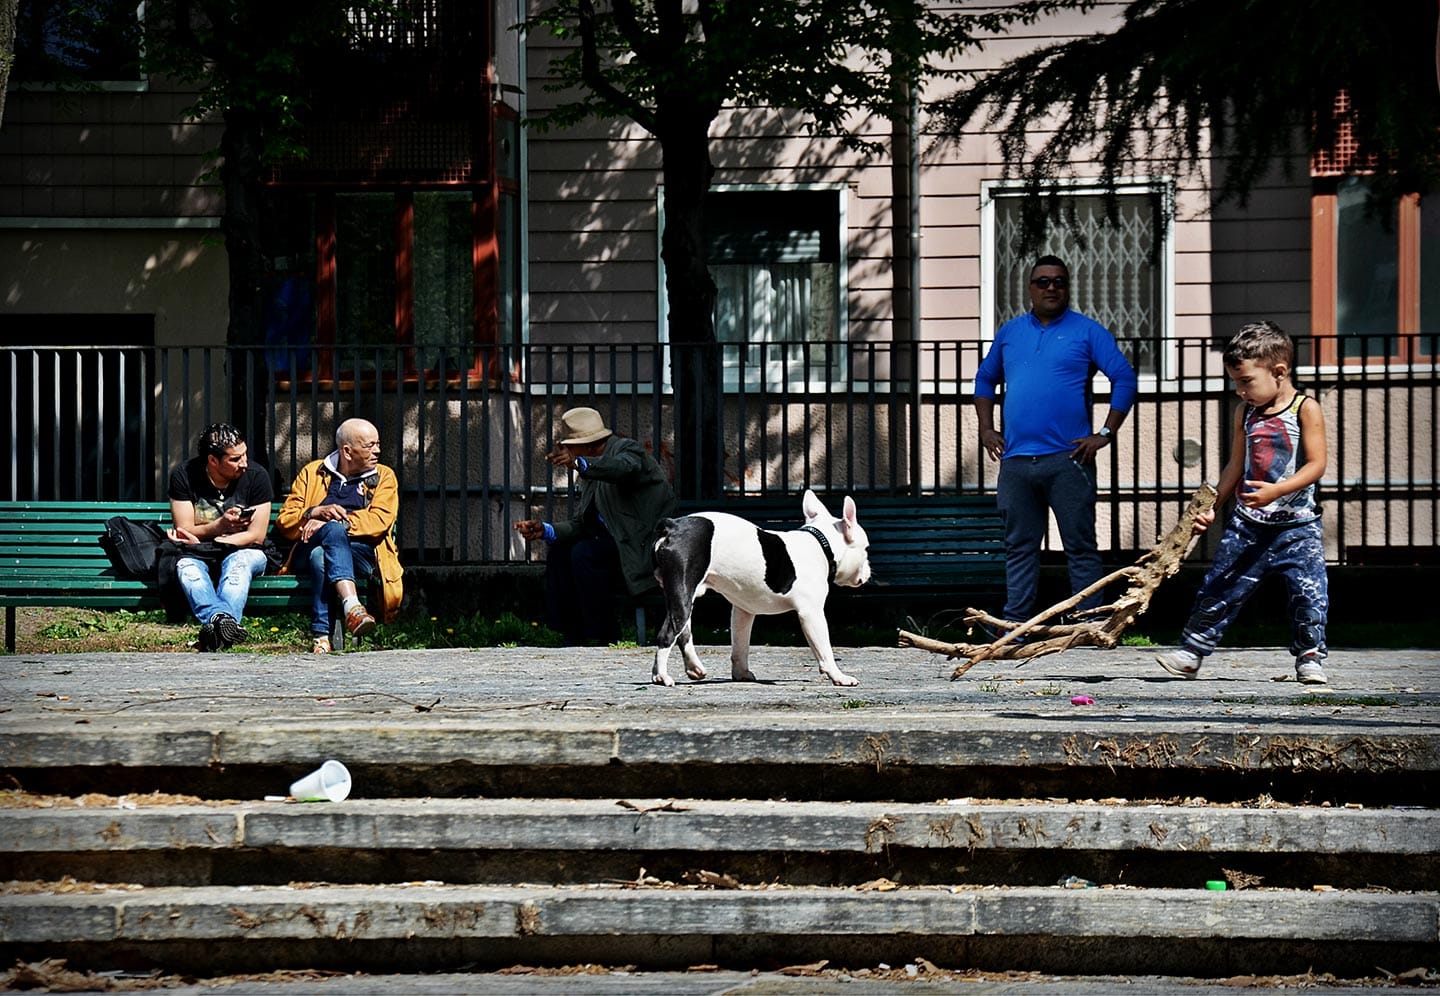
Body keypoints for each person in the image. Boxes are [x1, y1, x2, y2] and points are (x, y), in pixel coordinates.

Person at [1157, 321, 1329, 684]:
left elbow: (1317, 464)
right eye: (1236, 382)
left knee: (1308, 592)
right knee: (1221, 583)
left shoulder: (1305, 408)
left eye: (1247, 381)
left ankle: (1310, 655)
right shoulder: (1245, 413)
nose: (1240, 390)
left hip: (1298, 526)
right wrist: (1213, 506)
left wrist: (1276, 491)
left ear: (1279, 372)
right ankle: (1193, 651)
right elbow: (1236, 465)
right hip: (1249, 523)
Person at [974, 254, 1139, 627]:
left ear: (1068, 287)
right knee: (1019, 548)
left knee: (1080, 547)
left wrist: (1105, 434)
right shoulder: (1010, 333)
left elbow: (1124, 379)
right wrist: (986, 429)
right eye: (1043, 281)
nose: (1051, 287)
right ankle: (1016, 626)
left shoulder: (1087, 331)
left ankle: (1090, 624)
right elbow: (985, 381)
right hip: (1015, 462)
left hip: (1069, 460)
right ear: (1030, 288)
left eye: (1059, 281)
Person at [515, 407, 676, 645]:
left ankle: (601, 635)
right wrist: (547, 530)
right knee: (560, 551)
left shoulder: (626, 450)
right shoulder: (589, 471)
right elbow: (584, 523)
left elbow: (624, 468)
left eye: (571, 445)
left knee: (585, 554)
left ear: (589, 445)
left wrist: (583, 464)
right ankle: (573, 634)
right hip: (615, 548)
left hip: (643, 547)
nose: (566, 451)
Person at [276, 418, 403, 654]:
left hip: (360, 554)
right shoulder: (313, 472)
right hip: (305, 548)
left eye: (378, 444)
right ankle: (352, 607)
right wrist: (313, 512)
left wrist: (335, 522)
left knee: (321, 554)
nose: (378, 451)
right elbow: (285, 521)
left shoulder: (384, 477)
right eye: (369, 446)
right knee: (325, 540)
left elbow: (379, 521)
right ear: (347, 451)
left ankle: (321, 637)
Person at [166, 423, 274, 651]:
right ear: (213, 461)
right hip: (198, 553)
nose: (244, 463)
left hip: (243, 550)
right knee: (186, 567)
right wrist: (220, 525)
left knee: (240, 562)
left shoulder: (257, 476)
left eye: (244, 455)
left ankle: (217, 624)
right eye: (235, 459)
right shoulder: (184, 475)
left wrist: (209, 541)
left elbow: (256, 535)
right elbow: (184, 528)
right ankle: (223, 625)